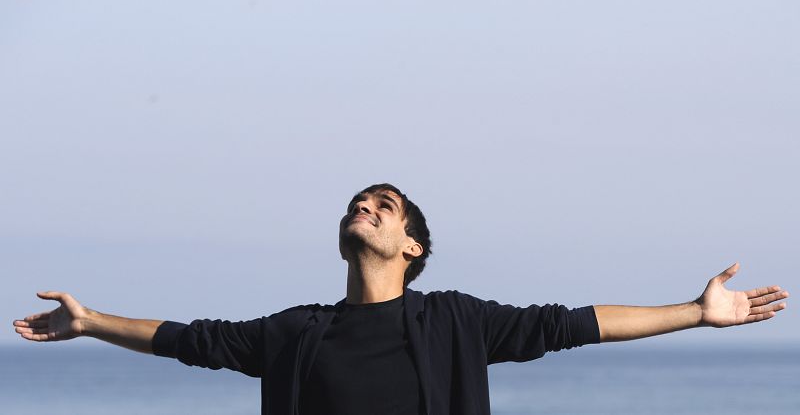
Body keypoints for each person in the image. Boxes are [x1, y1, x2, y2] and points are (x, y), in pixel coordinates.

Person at [13, 183, 789, 415]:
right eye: (358, 202)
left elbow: (575, 325)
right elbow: (190, 339)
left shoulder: (453, 321)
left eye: (385, 204)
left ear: (413, 245)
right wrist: (89, 322)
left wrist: (694, 311)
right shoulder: (295, 332)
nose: (367, 206)